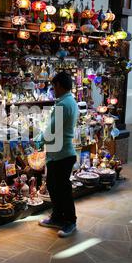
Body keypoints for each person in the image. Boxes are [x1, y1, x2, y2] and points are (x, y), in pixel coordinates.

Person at [36, 71, 79, 238]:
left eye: (54, 86)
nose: (53, 89)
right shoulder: (70, 101)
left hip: (62, 154)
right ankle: (57, 217)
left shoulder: (63, 104)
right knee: (54, 187)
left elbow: (52, 130)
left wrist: (39, 140)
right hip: (59, 153)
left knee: (62, 189)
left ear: (59, 85)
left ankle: (70, 221)